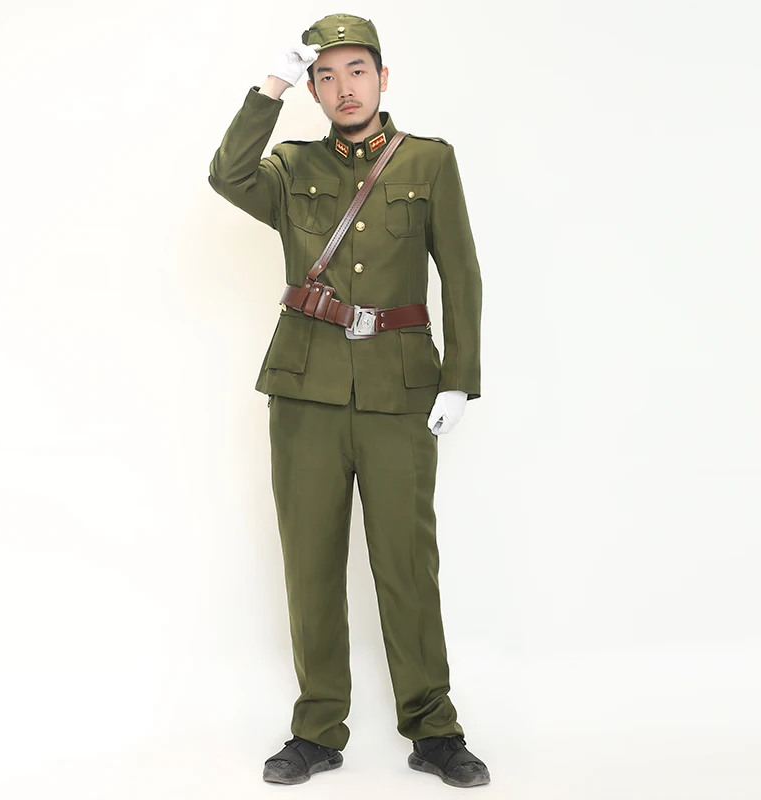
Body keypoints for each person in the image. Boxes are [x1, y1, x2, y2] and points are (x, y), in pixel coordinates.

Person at [207, 12, 487, 788]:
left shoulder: (428, 161)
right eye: (325, 76)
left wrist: (459, 375)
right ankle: (317, 728)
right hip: (305, 390)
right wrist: (270, 86)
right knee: (311, 565)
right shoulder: (290, 166)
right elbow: (227, 176)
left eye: (357, 70)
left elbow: (461, 272)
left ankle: (434, 729)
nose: (344, 87)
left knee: (407, 565)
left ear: (383, 77)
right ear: (314, 90)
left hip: (401, 390)